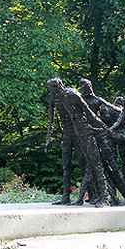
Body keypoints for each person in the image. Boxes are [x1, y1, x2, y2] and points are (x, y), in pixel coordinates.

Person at [46, 78, 110, 207]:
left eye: (52, 88)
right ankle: (66, 197)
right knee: (68, 165)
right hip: (72, 132)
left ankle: (100, 196)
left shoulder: (72, 94)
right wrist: (49, 137)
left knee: (89, 163)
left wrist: (104, 128)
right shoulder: (57, 97)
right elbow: (52, 118)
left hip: (82, 132)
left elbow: (88, 112)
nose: (51, 91)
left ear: (59, 86)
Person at [79, 78, 125, 205]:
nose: (88, 88)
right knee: (94, 168)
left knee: (112, 166)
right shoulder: (79, 99)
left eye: (89, 85)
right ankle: (105, 196)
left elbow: (114, 108)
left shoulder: (97, 99)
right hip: (89, 134)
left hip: (100, 134)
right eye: (85, 86)